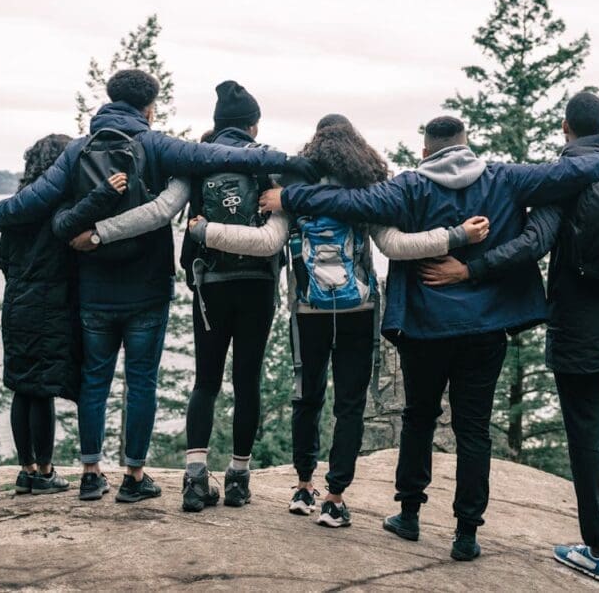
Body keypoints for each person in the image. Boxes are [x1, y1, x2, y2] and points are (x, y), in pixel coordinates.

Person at [260, 115, 599, 561]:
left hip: (425, 327)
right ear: (467, 145)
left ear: (425, 151)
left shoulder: (410, 187)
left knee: (419, 418)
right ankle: (466, 533)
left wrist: (290, 195)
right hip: (486, 328)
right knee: (474, 430)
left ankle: (410, 515)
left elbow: (352, 202)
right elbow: (567, 173)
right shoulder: (505, 178)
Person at [0, 70, 318, 504]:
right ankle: (133, 477)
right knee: (142, 382)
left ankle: (90, 475)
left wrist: (21, 214)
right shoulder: (155, 145)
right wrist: (287, 162)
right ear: (150, 108)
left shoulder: (76, 151)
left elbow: (15, 210)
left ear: (111, 100)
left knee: (95, 381)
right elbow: (211, 159)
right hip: (147, 289)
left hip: (94, 288)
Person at [187, 114, 489, 527]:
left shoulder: (293, 192)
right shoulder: (367, 192)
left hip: (308, 310)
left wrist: (206, 232)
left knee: (306, 398)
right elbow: (397, 246)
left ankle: (303, 486)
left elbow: (266, 242)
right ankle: (335, 496)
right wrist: (456, 237)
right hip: (359, 310)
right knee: (349, 405)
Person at [420, 93, 599, 583]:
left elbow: (531, 245)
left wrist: (469, 270)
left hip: (579, 331)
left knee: (587, 439)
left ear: (564, 128)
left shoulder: (566, 181)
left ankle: (594, 549)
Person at [0, 133, 128, 496]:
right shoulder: (63, 206)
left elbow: (3, 259)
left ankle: (26, 470)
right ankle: (45, 471)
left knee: (22, 387)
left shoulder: (19, 208)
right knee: (42, 388)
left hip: (17, 303)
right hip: (51, 305)